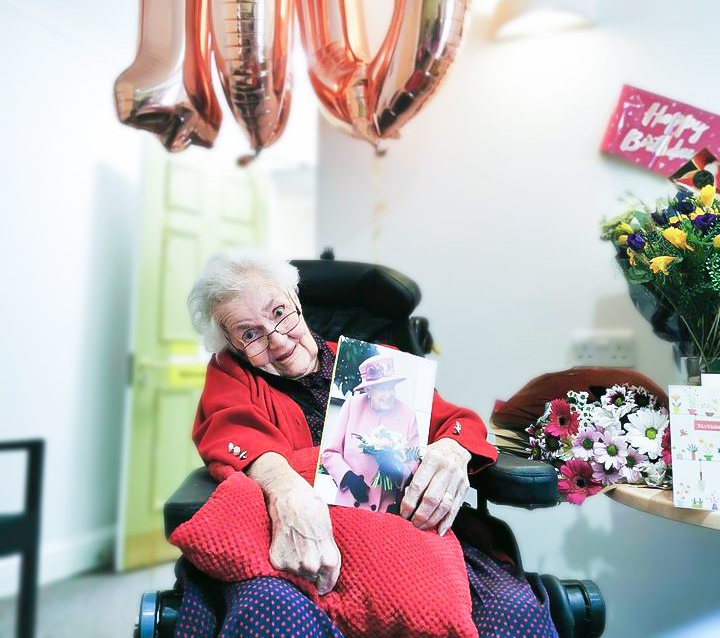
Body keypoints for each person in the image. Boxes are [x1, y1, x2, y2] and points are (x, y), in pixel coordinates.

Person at [179, 251, 559, 638]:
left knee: (510, 613)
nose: (277, 341)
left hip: (413, 535)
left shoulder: (379, 360)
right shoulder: (233, 375)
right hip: (304, 544)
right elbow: (233, 433)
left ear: (296, 300)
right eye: (249, 333)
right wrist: (286, 487)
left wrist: (451, 452)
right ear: (229, 343)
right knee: (273, 614)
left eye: (279, 312)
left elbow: (455, 422)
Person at [322, 356, 420, 513]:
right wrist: (348, 477)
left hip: (386, 510)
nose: (388, 394)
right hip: (348, 504)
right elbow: (330, 454)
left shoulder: (407, 414)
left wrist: (397, 473)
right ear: (368, 389)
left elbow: (413, 461)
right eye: (382, 389)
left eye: (391, 388)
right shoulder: (352, 406)